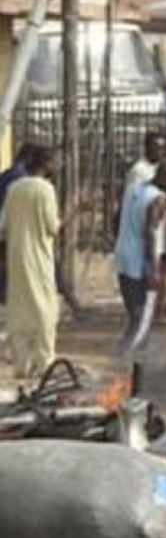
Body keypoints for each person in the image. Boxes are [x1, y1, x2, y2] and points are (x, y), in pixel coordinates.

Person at [0, 146, 62, 378]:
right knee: (45, 309)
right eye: (55, 161)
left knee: (19, 309)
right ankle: (45, 363)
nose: (58, 165)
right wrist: (73, 212)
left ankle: (21, 364)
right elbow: (52, 227)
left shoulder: (14, 188)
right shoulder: (46, 190)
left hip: (17, 259)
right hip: (39, 259)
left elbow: (3, 227)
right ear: (45, 163)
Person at [114, 162, 166, 352]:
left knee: (135, 314)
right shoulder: (158, 199)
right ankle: (127, 355)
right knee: (141, 317)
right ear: (164, 177)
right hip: (139, 261)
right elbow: (151, 232)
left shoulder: (132, 189)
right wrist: (154, 268)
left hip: (122, 256)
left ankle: (129, 353)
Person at [122, 132, 166, 197]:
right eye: (156, 149)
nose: (160, 153)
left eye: (163, 149)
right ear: (147, 148)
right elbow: (134, 195)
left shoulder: (162, 167)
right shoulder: (139, 170)